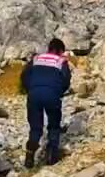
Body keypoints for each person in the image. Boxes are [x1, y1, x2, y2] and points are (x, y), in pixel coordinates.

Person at [21, 38, 71, 168]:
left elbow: (24, 75)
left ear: (49, 48)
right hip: (52, 94)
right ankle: (51, 156)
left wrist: (30, 89)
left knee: (35, 127)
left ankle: (30, 153)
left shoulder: (36, 59)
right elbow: (66, 80)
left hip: (34, 94)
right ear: (60, 51)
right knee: (54, 125)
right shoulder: (61, 61)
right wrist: (59, 91)